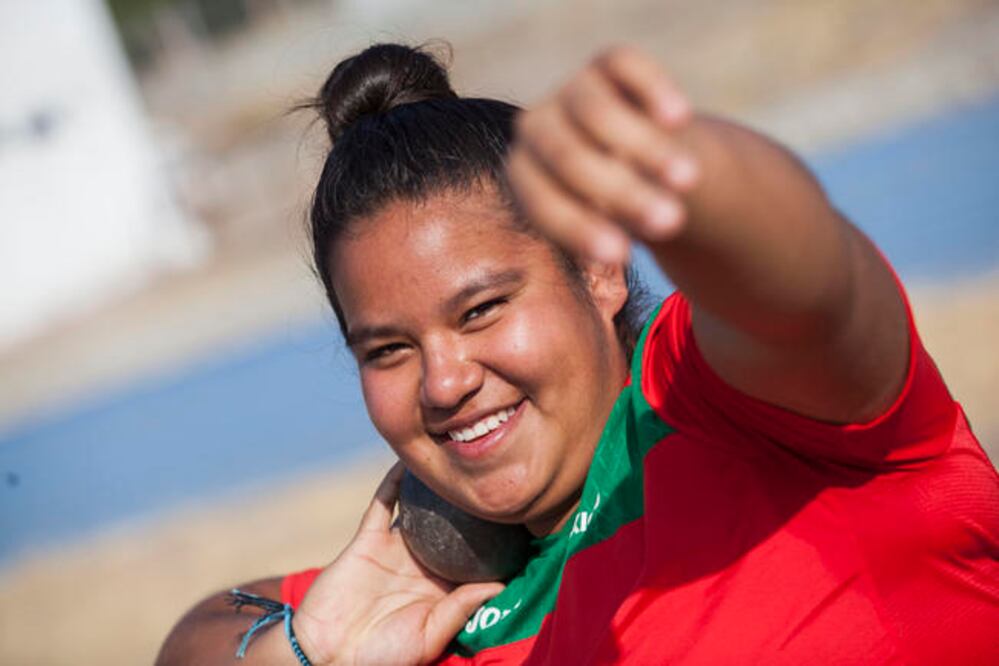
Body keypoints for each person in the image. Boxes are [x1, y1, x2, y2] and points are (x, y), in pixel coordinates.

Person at [157, 43, 999, 665]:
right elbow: (191, 643)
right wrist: (310, 647)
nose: (444, 382)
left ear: (597, 268)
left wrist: (682, 173)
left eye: (482, 308)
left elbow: (812, 291)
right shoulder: (422, 607)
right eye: (387, 349)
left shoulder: (725, 407)